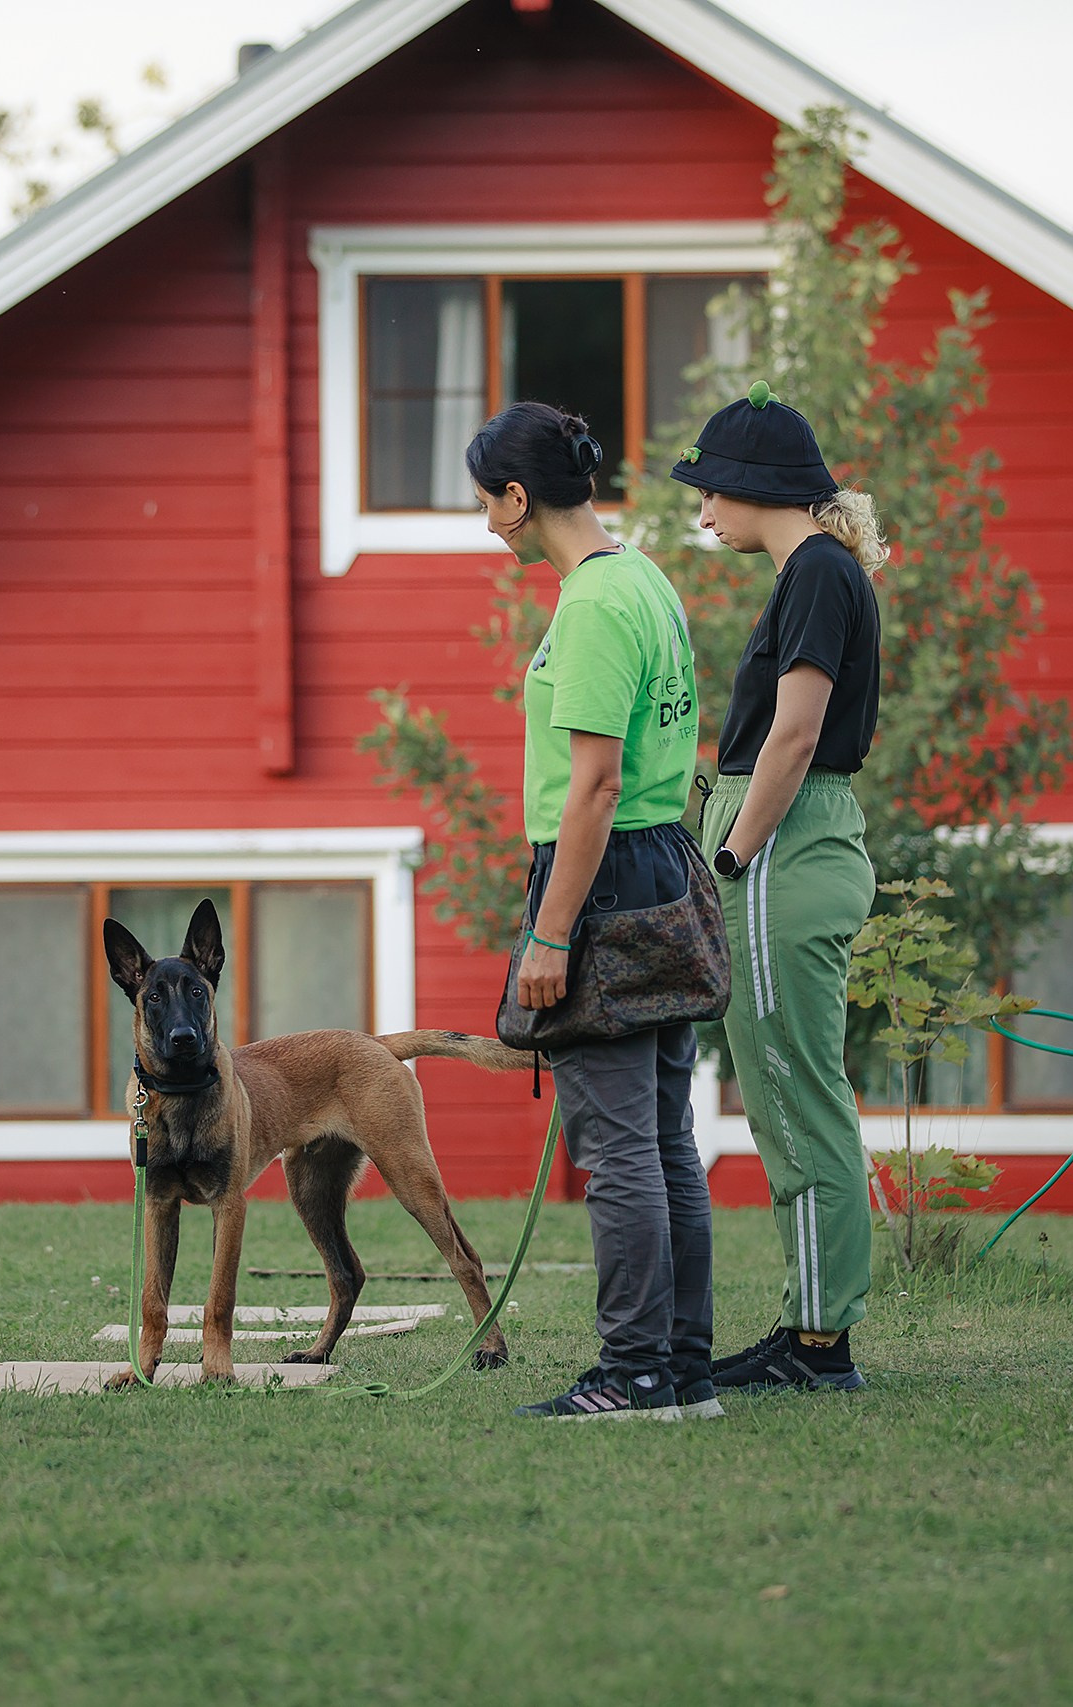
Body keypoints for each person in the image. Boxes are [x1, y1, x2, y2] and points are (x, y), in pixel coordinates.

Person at [472, 402, 720, 1422]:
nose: (485, 521)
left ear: (521, 499)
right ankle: (683, 1370)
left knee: (620, 1147)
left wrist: (549, 932)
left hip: (605, 875)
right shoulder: (644, 578)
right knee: (663, 1139)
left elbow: (594, 787)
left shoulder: (589, 607)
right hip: (662, 863)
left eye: (486, 501)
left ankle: (634, 1374)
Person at [675, 383, 884, 1392]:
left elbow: (794, 735)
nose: (702, 508)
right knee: (795, 1094)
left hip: (783, 852)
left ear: (754, 484)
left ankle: (816, 1345)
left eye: (710, 486)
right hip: (795, 846)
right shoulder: (815, 572)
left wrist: (731, 855)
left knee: (796, 1101)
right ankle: (811, 1328)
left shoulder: (814, 574)